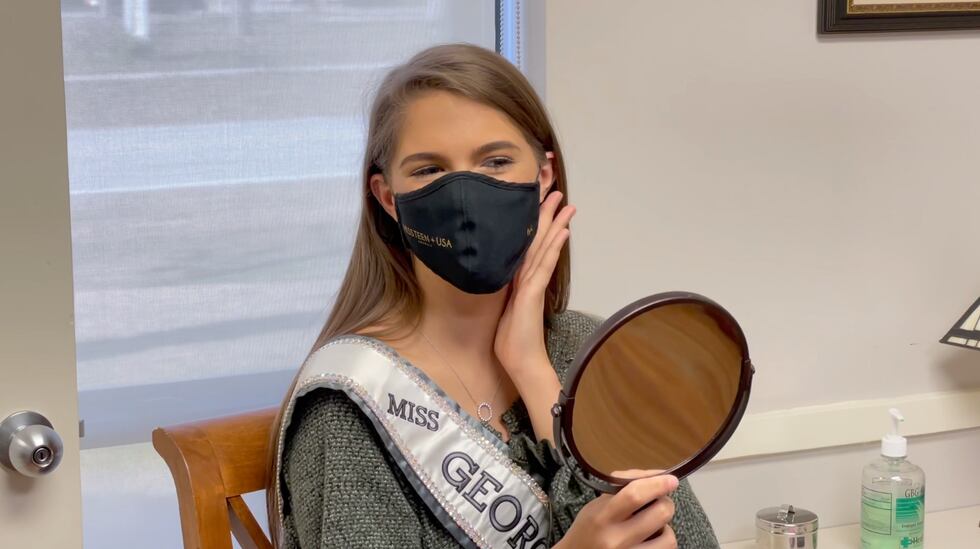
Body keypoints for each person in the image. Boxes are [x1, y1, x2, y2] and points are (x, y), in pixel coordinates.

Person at [265, 43, 720, 548]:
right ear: (388, 198)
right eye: (429, 170)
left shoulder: (584, 346)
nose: (464, 194)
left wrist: (534, 371)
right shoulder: (349, 408)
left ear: (542, 176)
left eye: (496, 161)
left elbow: (694, 541)